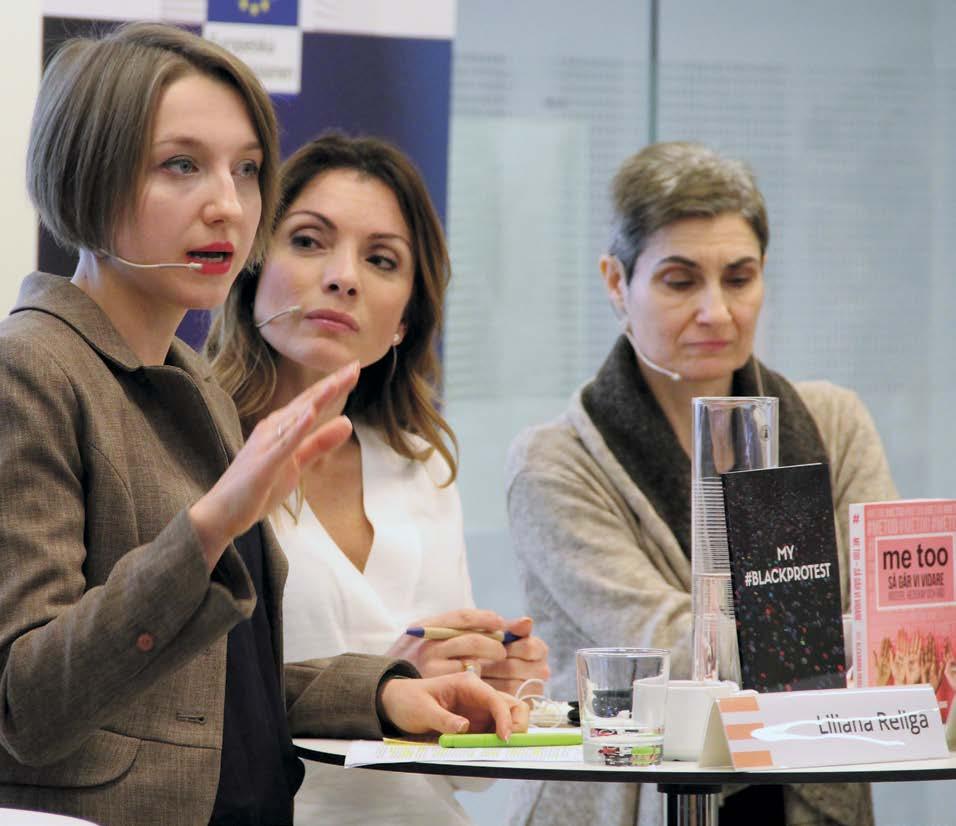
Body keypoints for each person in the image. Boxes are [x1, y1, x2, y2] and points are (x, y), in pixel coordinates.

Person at [0, 24, 526, 826]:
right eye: (183, 165)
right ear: (87, 171)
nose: (229, 204)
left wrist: (386, 693)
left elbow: (210, 688)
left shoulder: (193, 388)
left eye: (246, 171)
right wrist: (209, 527)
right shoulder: (31, 367)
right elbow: (25, 704)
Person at [504, 142, 897, 826]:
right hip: (630, 805)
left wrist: (860, 647)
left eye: (739, 278)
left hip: (811, 796)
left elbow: (889, 632)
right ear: (615, 283)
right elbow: (675, 653)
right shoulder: (555, 461)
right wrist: (831, 649)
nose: (716, 311)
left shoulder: (834, 421)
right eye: (681, 281)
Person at [206, 132, 550, 824]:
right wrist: (379, 684)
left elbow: (464, 768)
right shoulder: (191, 448)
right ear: (251, 265)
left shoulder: (420, 464)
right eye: (308, 241)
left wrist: (491, 690)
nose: (344, 277)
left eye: (381, 259)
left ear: (403, 320)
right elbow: (171, 704)